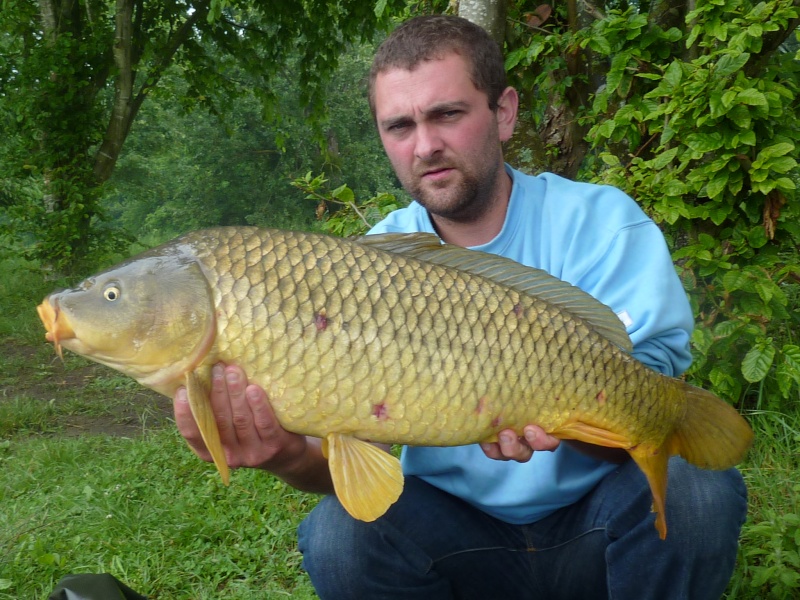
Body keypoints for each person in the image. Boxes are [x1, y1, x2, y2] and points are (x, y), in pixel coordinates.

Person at [174, 15, 748, 599]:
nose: (425, 146)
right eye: (399, 126)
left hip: (595, 521)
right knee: (337, 536)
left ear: (503, 112)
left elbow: (646, 403)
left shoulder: (602, 224)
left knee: (695, 489)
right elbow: (350, 464)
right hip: (454, 535)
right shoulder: (364, 266)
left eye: (447, 114)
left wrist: (557, 412)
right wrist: (283, 454)